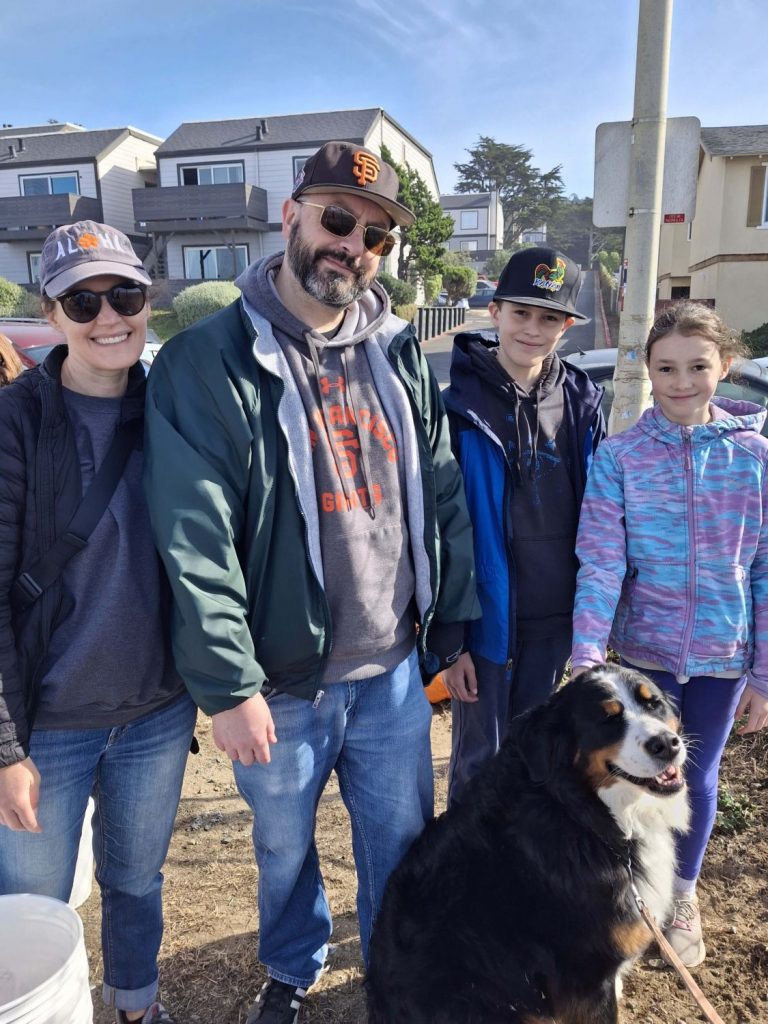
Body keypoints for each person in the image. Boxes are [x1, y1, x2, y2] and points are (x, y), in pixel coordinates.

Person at [143, 141, 478, 1023]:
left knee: (401, 845)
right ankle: (293, 970)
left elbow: (440, 491)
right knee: (283, 850)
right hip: (282, 683)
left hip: (395, 670)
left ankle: (397, 974)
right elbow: (194, 537)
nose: (353, 245)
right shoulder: (203, 362)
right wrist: (229, 684)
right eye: (336, 219)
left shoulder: (398, 351)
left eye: (374, 234)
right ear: (290, 216)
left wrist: (452, 632)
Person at [0, 221, 197, 1024]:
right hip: (47, 724)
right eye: (83, 300)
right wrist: (5, 748)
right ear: (51, 312)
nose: (108, 315)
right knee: (33, 903)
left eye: (125, 294)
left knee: (136, 879)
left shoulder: (175, 410)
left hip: (156, 712)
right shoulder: (15, 421)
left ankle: (135, 1006)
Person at [571, 300, 768, 967]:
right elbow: (600, 564)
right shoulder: (620, 457)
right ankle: (632, 891)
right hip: (645, 658)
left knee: (696, 778)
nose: (682, 381)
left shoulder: (757, 458)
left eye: (698, 366)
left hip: (722, 658)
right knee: (636, 778)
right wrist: (588, 653)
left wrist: (764, 674)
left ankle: (681, 898)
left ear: (726, 367)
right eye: (666, 368)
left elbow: (766, 569)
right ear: (647, 369)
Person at [441, 247, 604, 803]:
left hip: (556, 621)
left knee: (541, 761)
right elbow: (438, 531)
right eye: (521, 313)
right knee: (478, 764)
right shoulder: (453, 406)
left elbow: (602, 518)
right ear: (495, 311)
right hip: (483, 621)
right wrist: (451, 639)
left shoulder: (583, 401)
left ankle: (520, 877)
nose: (533, 329)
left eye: (550, 317)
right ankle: (468, 879)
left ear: (566, 325)